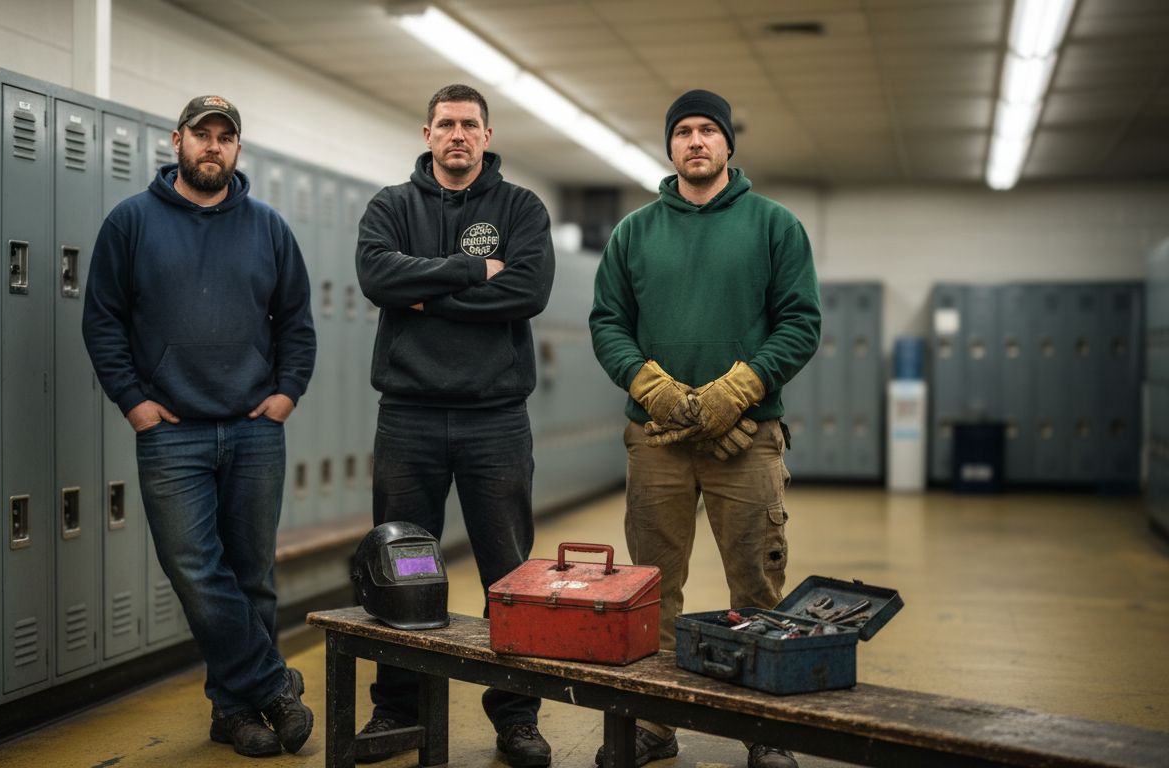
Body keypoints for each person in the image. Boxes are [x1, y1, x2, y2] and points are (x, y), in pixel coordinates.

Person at [588, 89, 821, 768]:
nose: (696, 141)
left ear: (728, 146)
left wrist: (742, 388)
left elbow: (800, 322)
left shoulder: (774, 226)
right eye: (684, 131)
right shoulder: (634, 232)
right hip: (656, 442)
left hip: (747, 441)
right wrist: (651, 387)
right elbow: (607, 323)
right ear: (669, 147)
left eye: (708, 131)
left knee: (756, 585)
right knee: (653, 589)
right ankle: (657, 725)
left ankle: (764, 729)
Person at [82, 95, 316, 758]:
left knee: (252, 574)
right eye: (202, 135)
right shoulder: (131, 222)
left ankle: (233, 714)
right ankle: (275, 686)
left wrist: (286, 394)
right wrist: (134, 402)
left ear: (237, 149)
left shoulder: (268, 227)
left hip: (253, 429)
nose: (213, 147)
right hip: (172, 432)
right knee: (194, 568)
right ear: (178, 140)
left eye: (225, 138)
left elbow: (296, 322)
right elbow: (103, 320)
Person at [354, 83, 555, 767]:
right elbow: (379, 279)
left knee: (509, 571)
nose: (458, 135)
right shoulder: (391, 206)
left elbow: (527, 292)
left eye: (470, 124)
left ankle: (517, 715)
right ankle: (397, 710)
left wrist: (426, 295)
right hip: (408, 416)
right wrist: (471, 271)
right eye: (446, 125)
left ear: (488, 135)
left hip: (494, 418)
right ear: (427, 133)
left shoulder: (521, 207)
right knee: (400, 568)